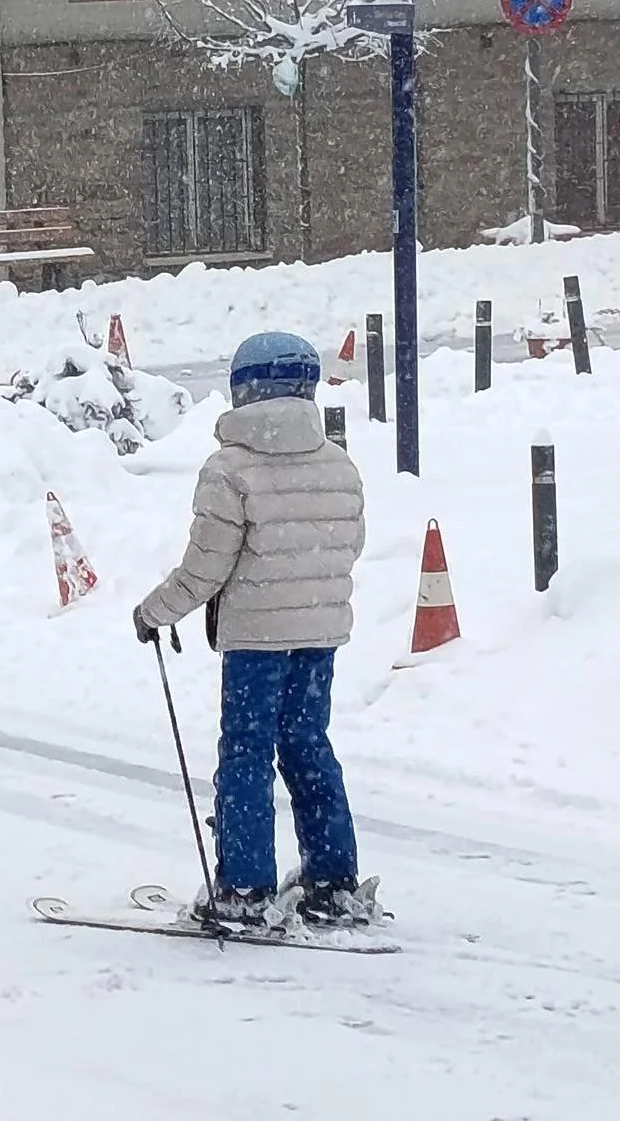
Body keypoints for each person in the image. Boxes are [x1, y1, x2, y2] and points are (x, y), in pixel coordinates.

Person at [131, 331, 375, 928]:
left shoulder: (229, 468)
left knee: (245, 755)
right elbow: (348, 547)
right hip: (320, 636)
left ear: (243, 389)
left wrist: (154, 612)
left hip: (255, 646)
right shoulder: (338, 463)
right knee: (308, 747)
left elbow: (206, 566)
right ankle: (333, 880)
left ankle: (243, 889)